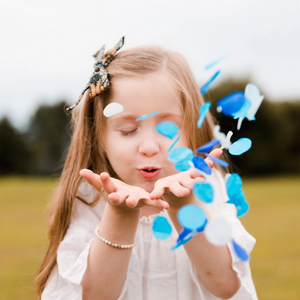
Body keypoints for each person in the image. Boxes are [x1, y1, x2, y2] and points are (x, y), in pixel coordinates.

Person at [36, 37, 258, 300]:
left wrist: (184, 204)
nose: (149, 147)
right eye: (128, 130)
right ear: (100, 138)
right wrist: (120, 214)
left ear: (192, 127)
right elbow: (95, 295)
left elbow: (226, 286)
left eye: (169, 128)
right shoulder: (89, 198)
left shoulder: (210, 186)